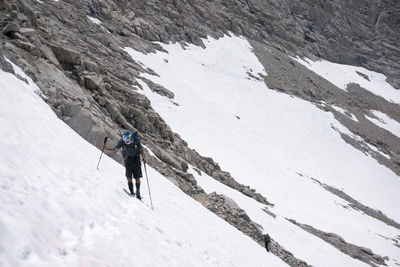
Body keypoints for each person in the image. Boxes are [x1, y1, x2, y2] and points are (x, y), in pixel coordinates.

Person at [103, 130, 146, 199]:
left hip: (136, 159)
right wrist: (106, 149)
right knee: (129, 177)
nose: (126, 140)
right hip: (128, 159)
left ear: (130, 137)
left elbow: (141, 149)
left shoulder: (136, 139)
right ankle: (132, 192)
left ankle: (138, 191)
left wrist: (144, 157)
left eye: (127, 139)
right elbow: (115, 149)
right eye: (125, 139)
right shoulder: (122, 141)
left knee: (137, 178)